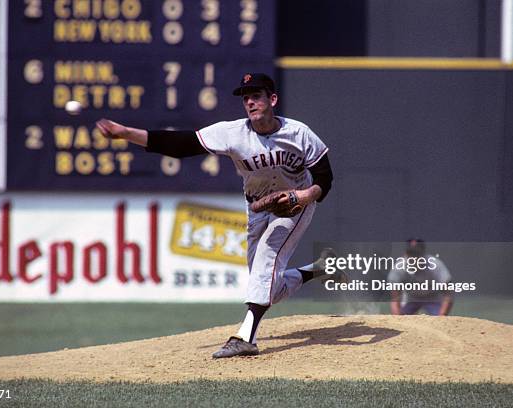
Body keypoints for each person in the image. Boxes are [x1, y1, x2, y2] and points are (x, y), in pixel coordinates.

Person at [96, 73, 335, 358]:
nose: (249, 102)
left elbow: (325, 177)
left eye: (256, 96)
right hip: (257, 207)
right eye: (245, 98)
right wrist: (125, 133)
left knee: (266, 258)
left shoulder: (300, 133)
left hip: (294, 204)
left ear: (272, 99)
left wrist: (304, 196)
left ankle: (245, 337)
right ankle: (319, 269)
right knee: (266, 283)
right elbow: (181, 145)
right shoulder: (233, 133)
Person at [387, 239, 453, 316]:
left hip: (432, 298)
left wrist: (442, 315)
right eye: (410, 254)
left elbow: (448, 294)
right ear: (405, 254)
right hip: (410, 299)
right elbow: (395, 298)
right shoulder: (399, 267)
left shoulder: (434, 265)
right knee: (401, 317)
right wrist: (398, 320)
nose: (413, 258)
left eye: (416, 254)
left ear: (423, 253)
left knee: (439, 318)